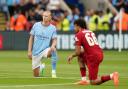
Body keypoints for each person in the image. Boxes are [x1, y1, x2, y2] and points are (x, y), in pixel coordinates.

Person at [67, 18, 119, 86]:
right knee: (80, 57)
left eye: (74, 26)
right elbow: (83, 51)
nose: (74, 28)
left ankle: (112, 75)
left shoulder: (78, 34)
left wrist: (71, 55)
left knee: (93, 82)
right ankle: (84, 80)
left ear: (78, 26)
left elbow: (77, 52)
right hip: (99, 53)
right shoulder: (90, 32)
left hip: (93, 57)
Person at [28, 11, 58, 78]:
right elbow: (31, 38)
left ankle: (53, 71)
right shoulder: (36, 25)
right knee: (36, 76)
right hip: (35, 52)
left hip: (45, 50)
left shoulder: (53, 28)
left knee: (53, 50)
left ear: (50, 17)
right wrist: (29, 51)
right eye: (43, 16)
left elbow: (55, 39)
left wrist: (53, 46)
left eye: (46, 16)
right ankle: (41, 67)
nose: (44, 17)